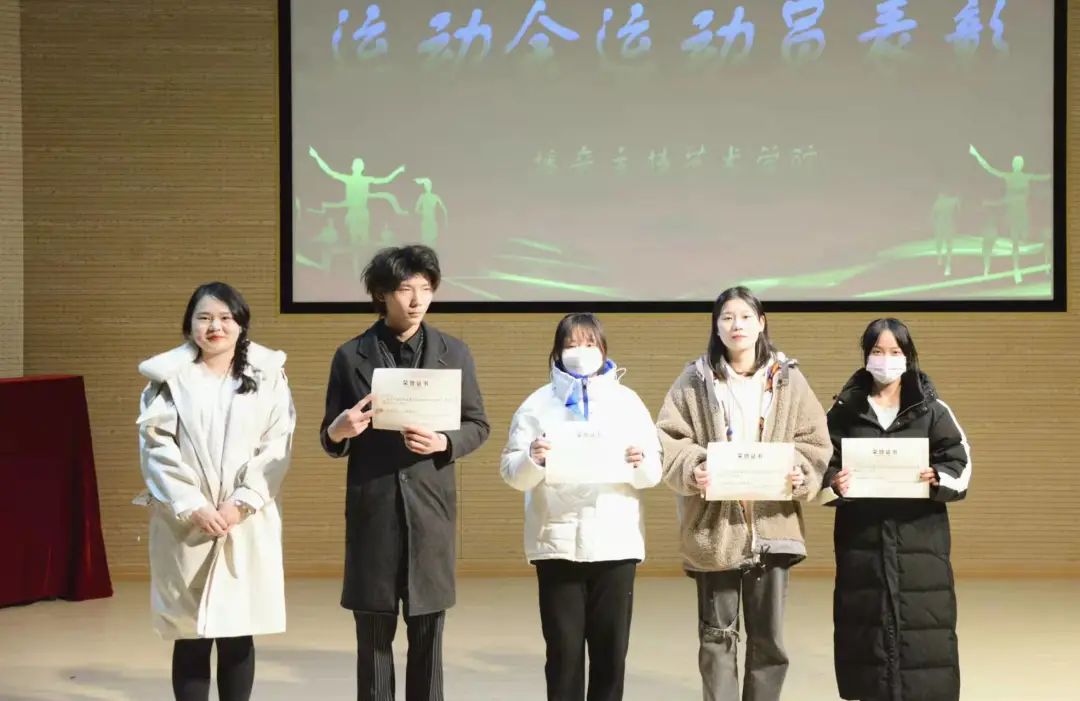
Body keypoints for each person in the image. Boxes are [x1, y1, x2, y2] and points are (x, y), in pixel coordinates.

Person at [319, 244, 490, 701]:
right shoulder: (350, 355)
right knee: (374, 637)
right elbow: (329, 435)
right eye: (404, 289)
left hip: (430, 512)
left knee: (429, 634)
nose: (416, 300)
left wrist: (444, 443)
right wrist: (340, 430)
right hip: (374, 509)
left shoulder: (455, 353)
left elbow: (478, 425)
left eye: (426, 289)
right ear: (380, 294)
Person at [656, 286, 831, 701]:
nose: (737, 325)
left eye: (746, 317)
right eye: (727, 317)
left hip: (773, 526)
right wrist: (694, 468)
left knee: (768, 639)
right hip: (715, 529)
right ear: (716, 326)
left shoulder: (788, 380)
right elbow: (669, 438)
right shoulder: (694, 379)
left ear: (761, 323)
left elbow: (814, 441)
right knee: (716, 636)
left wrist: (800, 472)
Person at [135, 282, 295, 701]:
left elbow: (277, 445)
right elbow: (156, 448)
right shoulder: (166, 379)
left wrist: (242, 503)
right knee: (190, 633)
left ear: (241, 325)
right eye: (204, 318)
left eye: (226, 318)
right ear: (189, 325)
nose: (215, 327)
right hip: (186, 524)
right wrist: (193, 505)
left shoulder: (268, 375)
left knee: (238, 631)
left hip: (245, 520)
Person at [501, 313, 662, 701]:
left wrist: (640, 462)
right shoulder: (537, 404)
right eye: (571, 344)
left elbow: (654, 473)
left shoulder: (627, 402)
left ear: (604, 350)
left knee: (610, 656)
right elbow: (512, 473)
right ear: (557, 352)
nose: (580, 352)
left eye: (589, 344)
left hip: (616, 543)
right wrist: (533, 459)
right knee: (563, 654)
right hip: (556, 542)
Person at [823, 318, 971, 701]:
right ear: (866, 356)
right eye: (877, 351)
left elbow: (960, 463)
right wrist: (834, 482)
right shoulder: (844, 410)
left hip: (920, 541)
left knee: (925, 629)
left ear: (908, 356)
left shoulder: (932, 409)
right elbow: (820, 462)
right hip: (862, 542)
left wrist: (938, 477)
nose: (885, 360)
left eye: (894, 351)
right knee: (864, 629)